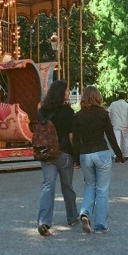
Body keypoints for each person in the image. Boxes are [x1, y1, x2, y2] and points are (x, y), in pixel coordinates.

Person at [72, 85, 124, 234]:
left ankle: (85, 212)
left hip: (85, 154)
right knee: (102, 189)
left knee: (89, 186)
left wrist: (76, 160)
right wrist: (119, 155)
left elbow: (76, 140)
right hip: (101, 152)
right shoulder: (103, 114)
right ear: (97, 97)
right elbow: (110, 136)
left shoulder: (78, 116)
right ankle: (100, 225)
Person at [36, 80, 78, 236]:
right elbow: (71, 135)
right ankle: (72, 216)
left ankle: (44, 221)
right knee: (67, 185)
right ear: (61, 93)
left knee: (48, 186)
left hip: (46, 152)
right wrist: (77, 155)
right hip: (64, 152)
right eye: (67, 90)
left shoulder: (43, 110)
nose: (68, 93)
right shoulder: (68, 112)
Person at [108, 92, 128, 160]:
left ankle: (117, 155)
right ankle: (126, 154)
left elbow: (108, 112)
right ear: (125, 97)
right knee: (125, 140)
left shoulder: (113, 104)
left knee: (117, 140)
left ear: (118, 97)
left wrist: (110, 120)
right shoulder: (127, 105)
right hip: (125, 125)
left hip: (116, 124)